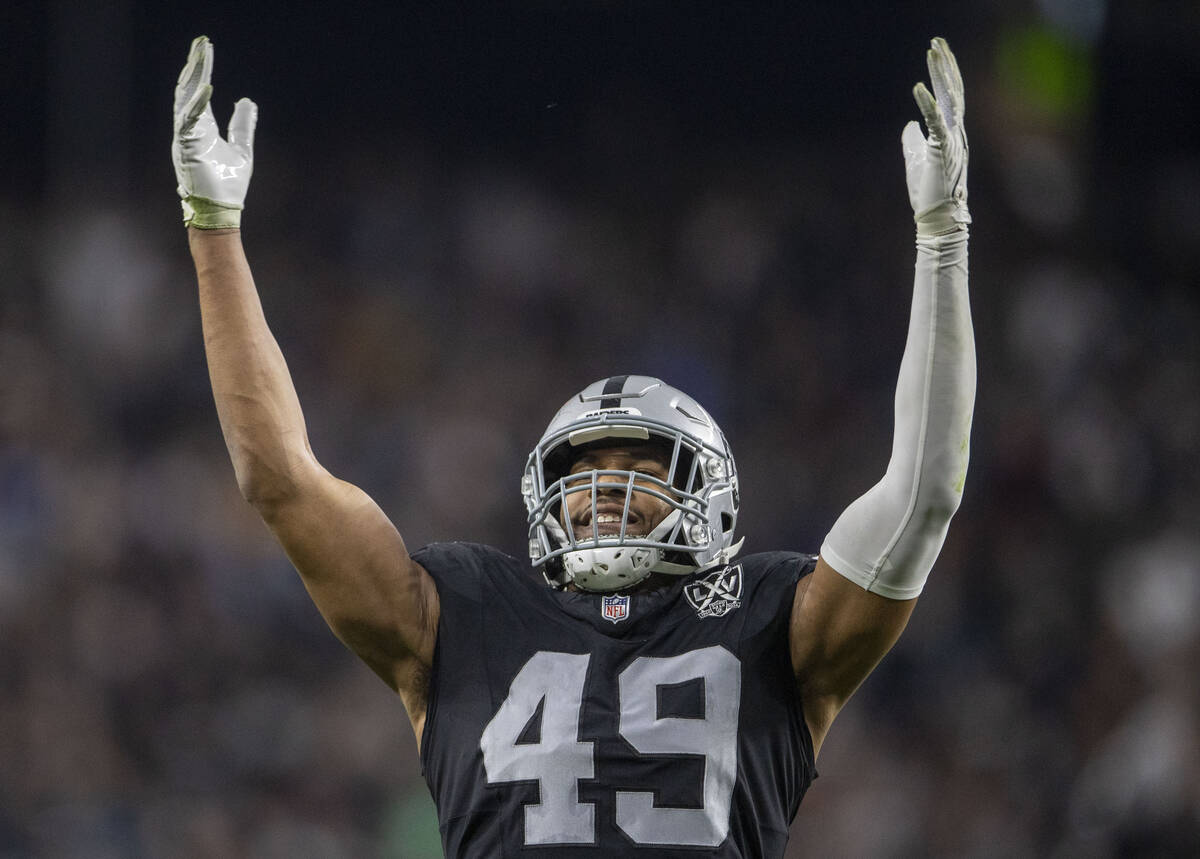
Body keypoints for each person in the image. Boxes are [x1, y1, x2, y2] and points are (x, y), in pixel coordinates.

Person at [173, 34, 975, 857]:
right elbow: (279, 478)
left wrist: (943, 240)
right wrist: (214, 231)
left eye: (639, 467)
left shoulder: (773, 623)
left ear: (713, 497)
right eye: (585, 468)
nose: (604, 489)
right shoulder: (463, 613)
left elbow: (923, 494)